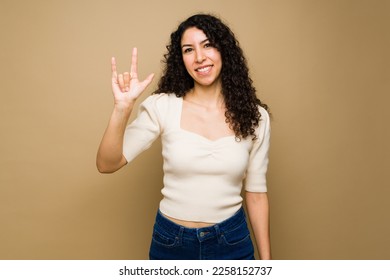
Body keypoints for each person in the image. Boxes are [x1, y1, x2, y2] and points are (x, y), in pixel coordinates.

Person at [96, 14, 271, 260]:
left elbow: (256, 194)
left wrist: (268, 265)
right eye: (189, 50)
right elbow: (106, 164)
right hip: (171, 243)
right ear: (182, 59)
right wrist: (122, 109)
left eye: (208, 45)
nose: (200, 57)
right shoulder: (162, 106)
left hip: (232, 242)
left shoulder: (256, 116)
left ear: (225, 51)